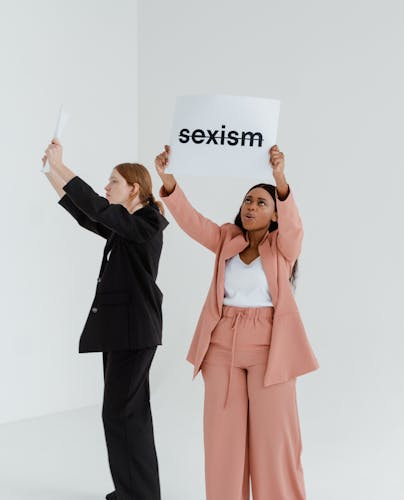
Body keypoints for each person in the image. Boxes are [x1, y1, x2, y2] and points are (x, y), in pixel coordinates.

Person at [154, 144, 317, 500]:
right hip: (221, 345)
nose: (251, 207)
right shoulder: (227, 237)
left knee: (275, 444)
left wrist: (280, 180)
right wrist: (168, 181)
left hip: (270, 350)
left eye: (261, 203)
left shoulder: (283, 246)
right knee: (222, 444)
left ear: (275, 214)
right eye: (248, 200)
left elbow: (295, 228)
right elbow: (194, 223)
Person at [42, 139, 167, 500]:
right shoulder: (127, 226)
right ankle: (137, 493)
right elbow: (88, 214)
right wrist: (51, 173)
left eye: (113, 181)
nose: (106, 187)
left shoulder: (147, 223)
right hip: (123, 333)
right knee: (128, 416)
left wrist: (63, 165)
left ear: (134, 188)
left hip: (133, 332)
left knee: (120, 415)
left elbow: (97, 208)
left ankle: (135, 495)